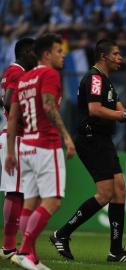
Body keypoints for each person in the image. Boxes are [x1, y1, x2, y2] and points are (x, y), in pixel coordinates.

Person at [49, 39, 126, 263]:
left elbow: (122, 112)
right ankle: (62, 234)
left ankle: (115, 251)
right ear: (103, 56)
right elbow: (95, 110)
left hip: (102, 139)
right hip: (91, 139)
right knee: (106, 193)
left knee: (119, 190)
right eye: (115, 54)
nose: (119, 57)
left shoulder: (107, 82)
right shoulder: (95, 78)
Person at [5, 33, 76, 270]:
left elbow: (13, 116)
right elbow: (48, 105)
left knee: (30, 202)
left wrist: (11, 153)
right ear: (46, 54)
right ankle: (25, 250)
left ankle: (28, 256)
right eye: (58, 50)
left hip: (26, 147)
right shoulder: (49, 74)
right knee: (53, 201)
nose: (63, 54)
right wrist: (66, 136)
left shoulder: (24, 80)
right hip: (46, 144)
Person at [0, 37, 36, 260]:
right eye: (35, 52)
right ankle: (10, 247)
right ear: (25, 52)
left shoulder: (9, 72)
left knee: (17, 191)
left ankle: (10, 246)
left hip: (12, 136)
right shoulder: (17, 72)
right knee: (16, 191)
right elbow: (9, 101)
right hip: (16, 138)